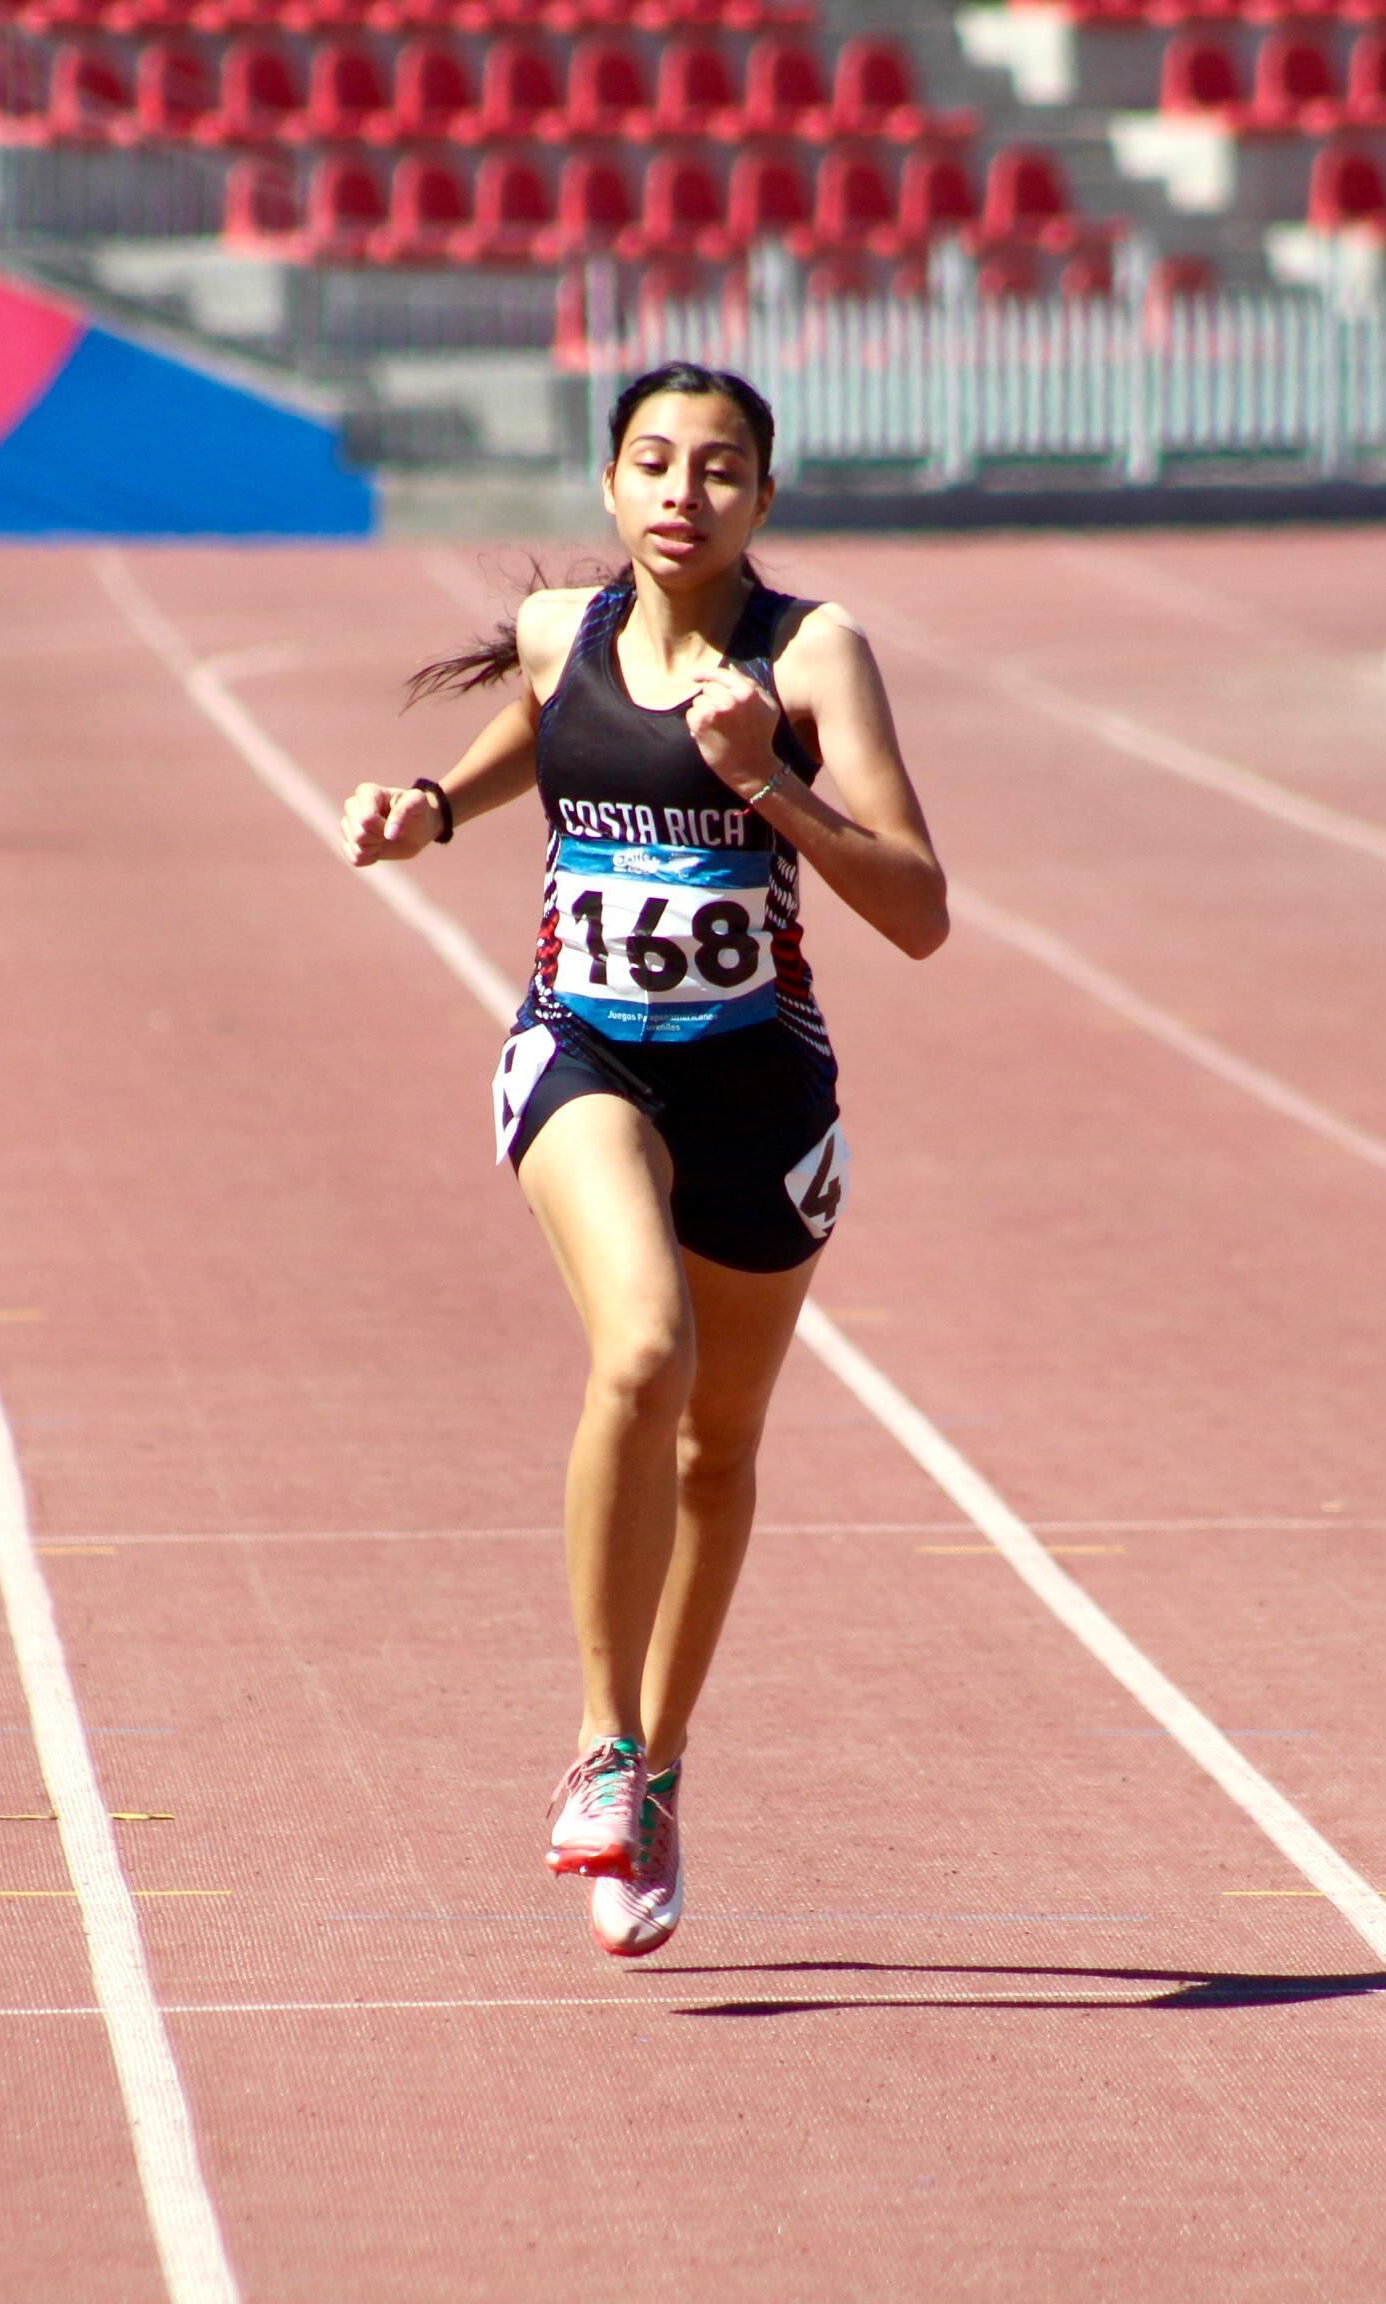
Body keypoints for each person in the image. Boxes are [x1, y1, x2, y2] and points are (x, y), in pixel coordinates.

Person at [338, 364, 947, 1958]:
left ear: (765, 498)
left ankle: (663, 1769)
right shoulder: (561, 635)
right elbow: (532, 736)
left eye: (723, 468)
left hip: (766, 1091)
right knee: (643, 1355)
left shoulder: (814, 657)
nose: (686, 491)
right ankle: (604, 1746)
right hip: (585, 1052)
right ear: (611, 487)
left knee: (716, 1447)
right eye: (656, 463)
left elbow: (920, 911)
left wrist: (766, 779)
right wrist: (430, 811)